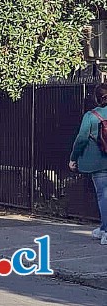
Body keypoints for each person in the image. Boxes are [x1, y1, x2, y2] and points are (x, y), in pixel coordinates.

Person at [69, 83, 107, 245]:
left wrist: (73, 158)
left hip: (98, 164)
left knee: (103, 196)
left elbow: (81, 139)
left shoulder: (91, 116)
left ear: (97, 98)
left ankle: (105, 231)